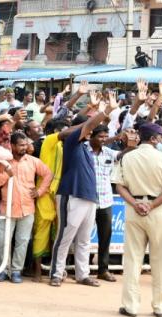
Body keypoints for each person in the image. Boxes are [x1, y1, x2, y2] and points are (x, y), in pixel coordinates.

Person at [114, 122, 162, 317]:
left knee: (132, 258)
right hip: (158, 210)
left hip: (135, 209)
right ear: (152, 139)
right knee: (161, 260)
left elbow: (119, 186)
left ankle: (131, 306)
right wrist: (151, 205)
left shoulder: (128, 158)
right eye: (160, 137)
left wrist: (135, 203)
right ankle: (159, 306)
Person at [48, 99, 110, 288]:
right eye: (88, 129)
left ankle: (82, 274)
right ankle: (56, 273)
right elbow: (88, 125)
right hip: (71, 194)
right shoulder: (72, 142)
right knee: (65, 237)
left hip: (89, 197)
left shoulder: (86, 147)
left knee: (84, 240)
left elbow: (94, 130)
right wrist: (105, 111)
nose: (90, 132)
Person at [0, 132, 52, 283]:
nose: (25, 148)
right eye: (21, 145)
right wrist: (7, 175)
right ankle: (3, 270)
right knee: (3, 241)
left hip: (27, 207)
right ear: (12, 146)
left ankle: (17, 270)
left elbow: (48, 174)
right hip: (7, 208)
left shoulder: (32, 161)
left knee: (23, 240)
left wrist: (39, 191)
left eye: (25, 144)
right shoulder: (4, 162)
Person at [89, 124, 119, 283]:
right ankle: (83, 268)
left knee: (105, 237)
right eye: (100, 137)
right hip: (87, 200)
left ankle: (103, 269)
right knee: (83, 236)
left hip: (106, 200)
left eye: (105, 137)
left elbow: (121, 156)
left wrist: (131, 146)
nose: (103, 140)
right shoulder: (84, 150)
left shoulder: (109, 151)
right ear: (91, 136)